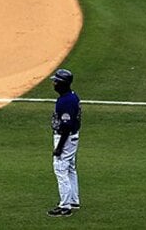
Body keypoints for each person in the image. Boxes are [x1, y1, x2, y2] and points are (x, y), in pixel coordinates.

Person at [47, 69, 81, 218]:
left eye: (56, 81)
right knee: (71, 169)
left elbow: (66, 127)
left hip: (65, 139)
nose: (53, 83)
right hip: (73, 137)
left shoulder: (65, 102)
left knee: (61, 170)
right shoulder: (72, 96)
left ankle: (65, 206)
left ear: (62, 84)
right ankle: (74, 200)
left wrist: (59, 148)